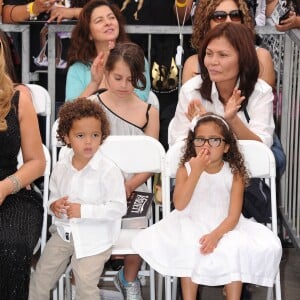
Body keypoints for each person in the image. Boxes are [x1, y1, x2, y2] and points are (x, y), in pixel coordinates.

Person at [132, 112, 282, 300]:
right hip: (189, 221)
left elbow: (234, 216)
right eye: (200, 140)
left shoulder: (234, 173)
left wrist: (215, 236)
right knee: (188, 244)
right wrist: (196, 171)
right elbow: (179, 204)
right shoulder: (185, 169)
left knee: (234, 246)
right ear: (192, 143)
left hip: (226, 226)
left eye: (214, 140)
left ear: (226, 146)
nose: (206, 146)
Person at [29, 98, 127, 300]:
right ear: (67, 137)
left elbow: (118, 208)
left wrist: (84, 211)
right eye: (81, 135)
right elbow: (53, 197)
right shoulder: (61, 167)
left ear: (103, 135)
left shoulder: (108, 170)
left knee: (85, 286)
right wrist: (54, 206)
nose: (89, 141)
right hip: (64, 233)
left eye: (95, 135)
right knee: (40, 279)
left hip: (95, 238)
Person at [89, 41, 159, 300]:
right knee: (90, 226)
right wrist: (93, 85)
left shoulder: (148, 112)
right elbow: (66, 128)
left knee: (137, 232)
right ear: (106, 72)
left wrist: (129, 185)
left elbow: (152, 162)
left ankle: (129, 279)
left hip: (134, 186)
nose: (123, 85)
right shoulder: (92, 105)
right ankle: (84, 280)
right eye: (117, 77)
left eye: (131, 79)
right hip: (94, 186)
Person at [169, 22, 275, 149]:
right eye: (209, 54)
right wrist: (204, 125)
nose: (213, 62)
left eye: (223, 55)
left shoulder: (261, 92)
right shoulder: (191, 90)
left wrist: (233, 120)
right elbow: (177, 145)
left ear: (243, 58)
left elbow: (262, 149)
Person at [0, 32, 46, 300]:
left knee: (11, 246)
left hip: (13, 189)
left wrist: (7, 186)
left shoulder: (18, 97)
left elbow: (37, 162)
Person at [65, 0, 151, 102]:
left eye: (111, 17)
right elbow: (70, 112)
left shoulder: (136, 59)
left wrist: (113, 69)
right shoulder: (78, 68)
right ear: (89, 34)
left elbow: (141, 101)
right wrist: (95, 83)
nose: (108, 23)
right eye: (99, 20)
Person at [182, 0, 276, 88]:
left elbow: (262, 102)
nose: (229, 21)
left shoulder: (261, 58)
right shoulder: (193, 65)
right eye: (219, 17)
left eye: (235, 15)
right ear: (206, 23)